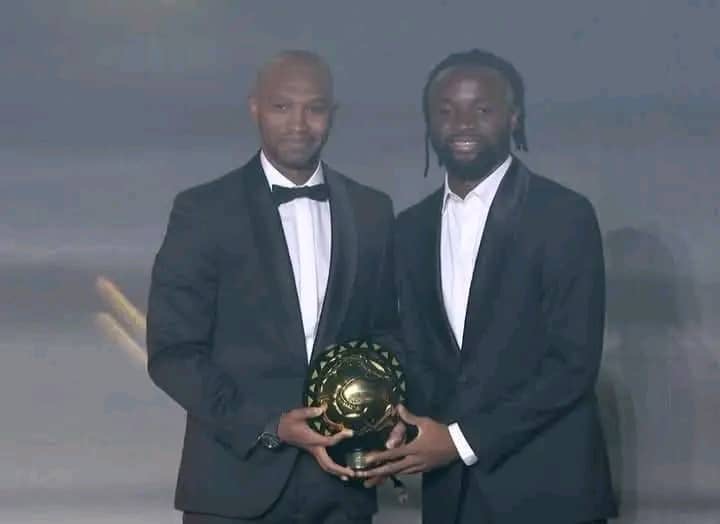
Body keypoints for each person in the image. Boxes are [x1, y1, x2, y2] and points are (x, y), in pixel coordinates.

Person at [358, 49, 618, 524]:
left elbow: (572, 364)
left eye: (482, 109)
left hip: (548, 493)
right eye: (446, 110)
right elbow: (410, 347)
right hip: (451, 496)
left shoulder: (563, 215)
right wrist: (397, 417)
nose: (462, 124)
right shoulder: (409, 228)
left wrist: (459, 441)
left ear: (514, 117)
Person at [146, 50, 398, 523]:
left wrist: (385, 419)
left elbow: (387, 337)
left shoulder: (372, 211)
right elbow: (173, 353)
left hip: (342, 490)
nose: (298, 124)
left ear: (333, 114)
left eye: (314, 108)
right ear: (255, 108)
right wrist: (270, 425)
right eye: (282, 106)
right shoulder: (204, 211)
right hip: (232, 488)